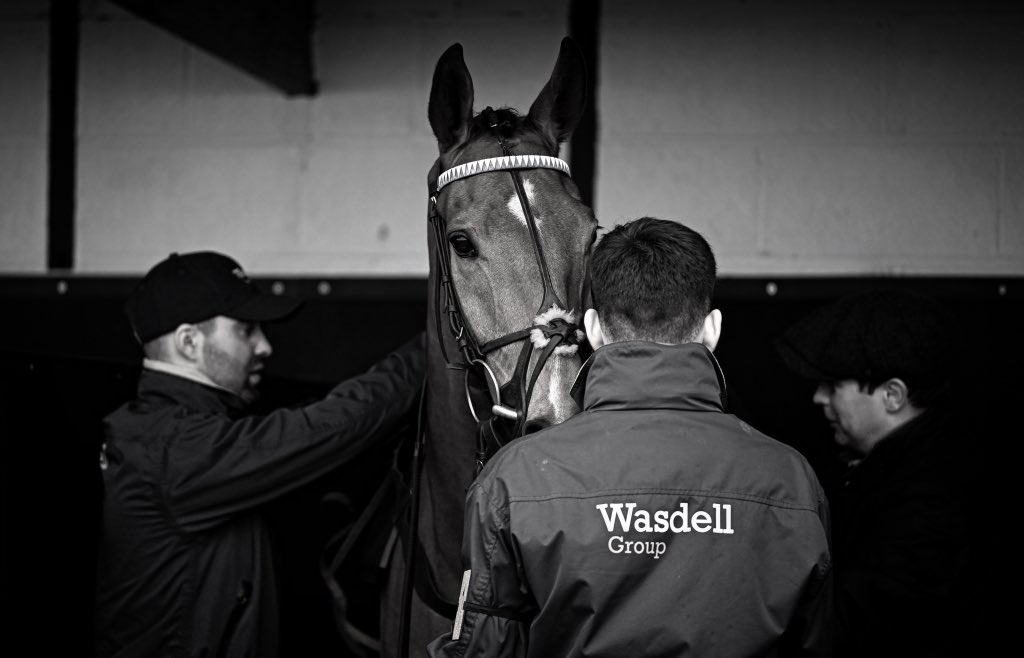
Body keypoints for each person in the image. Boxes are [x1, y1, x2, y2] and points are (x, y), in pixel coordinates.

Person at [427, 217, 833, 657]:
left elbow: (484, 650)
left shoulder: (515, 478)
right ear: (712, 330)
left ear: (595, 329)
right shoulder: (790, 478)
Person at [94, 251, 426, 658]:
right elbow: (326, 427)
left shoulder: (182, 430)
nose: (265, 346)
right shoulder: (172, 450)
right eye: (246, 330)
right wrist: (436, 348)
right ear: (188, 342)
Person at [776, 289, 980, 658]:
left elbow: (870, 619)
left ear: (892, 395)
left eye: (834, 385)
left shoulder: (930, 500)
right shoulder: (897, 467)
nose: (819, 397)